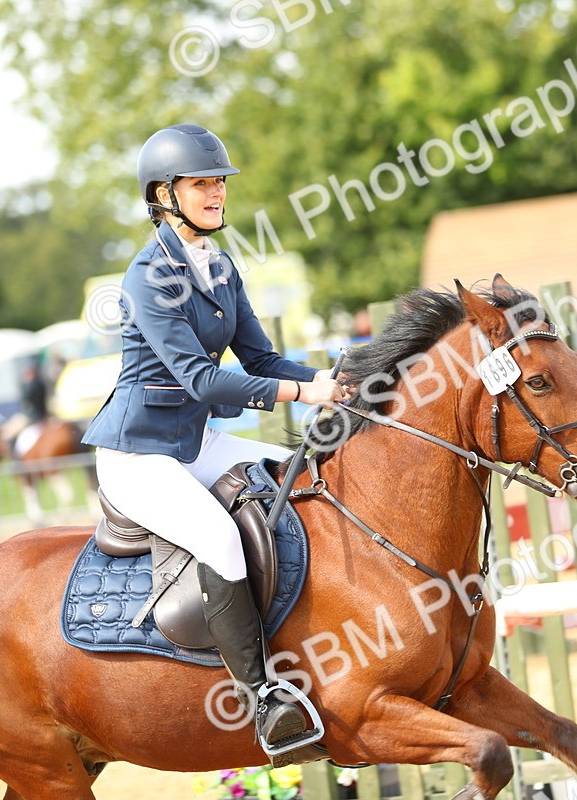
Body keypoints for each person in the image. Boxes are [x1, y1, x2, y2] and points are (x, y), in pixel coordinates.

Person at [82, 123, 348, 752]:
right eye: (201, 184)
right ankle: (264, 699)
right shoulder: (147, 277)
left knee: (303, 475)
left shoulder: (221, 267)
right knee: (219, 539)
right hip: (137, 455)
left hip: (193, 446)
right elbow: (200, 380)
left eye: (218, 183)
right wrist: (299, 394)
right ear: (162, 195)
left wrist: (329, 379)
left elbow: (260, 359)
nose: (216, 194)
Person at [0, 361, 49, 455]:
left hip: (32, 416)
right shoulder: (41, 383)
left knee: (8, 432)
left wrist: (25, 384)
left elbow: (26, 398)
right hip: (41, 414)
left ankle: (15, 455)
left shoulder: (33, 385)